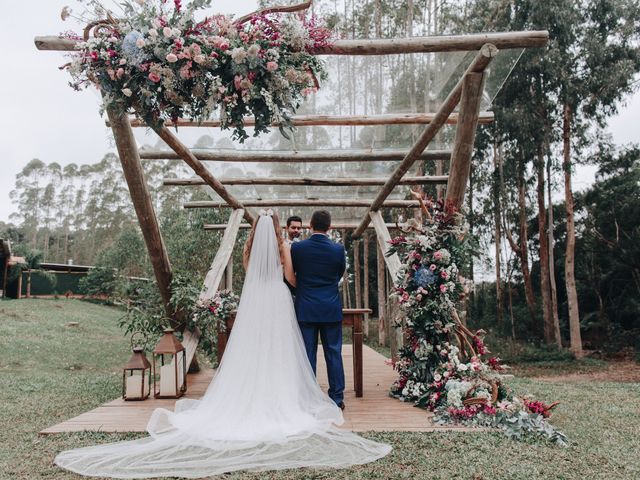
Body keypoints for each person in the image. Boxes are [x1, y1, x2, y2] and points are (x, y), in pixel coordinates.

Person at [54, 210, 391, 478]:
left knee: (273, 353)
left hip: (259, 302)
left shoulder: (266, 251)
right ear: (327, 226)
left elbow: (263, 275)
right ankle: (323, 396)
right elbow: (292, 278)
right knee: (304, 353)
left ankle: (266, 393)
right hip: (300, 303)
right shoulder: (304, 248)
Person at [291, 210, 346, 409]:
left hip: (305, 308)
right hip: (330, 308)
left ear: (310, 225)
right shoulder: (338, 249)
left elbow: (294, 273)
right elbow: (339, 273)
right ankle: (337, 399)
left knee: (307, 355)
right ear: (329, 228)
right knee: (334, 353)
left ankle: (307, 399)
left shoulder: (298, 249)